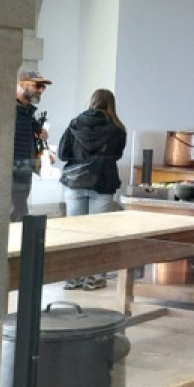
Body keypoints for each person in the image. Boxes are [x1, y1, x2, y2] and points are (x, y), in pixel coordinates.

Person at [57, 88, 128, 290]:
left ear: (92, 102)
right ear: (110, 105)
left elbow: (63, 153)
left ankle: (73, 278)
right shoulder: (117, 128)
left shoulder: (75, 124)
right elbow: (117, 155)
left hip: (75, 183)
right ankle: (94, 278)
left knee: (74, 233)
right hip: (103, 182)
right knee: (100, 233)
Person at [12, 68, 52, 222]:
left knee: (19, 213)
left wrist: (39, 133)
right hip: (11, 170)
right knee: (14, 215)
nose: (41, 90)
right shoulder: (9, 110)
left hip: (23, 169)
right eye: (37, 85)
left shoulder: (27, 112)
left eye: (43, 86)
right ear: (21, 84)